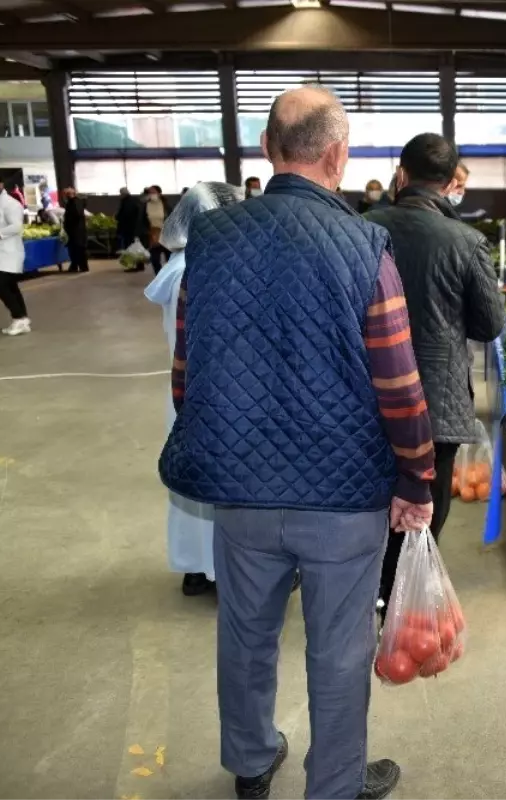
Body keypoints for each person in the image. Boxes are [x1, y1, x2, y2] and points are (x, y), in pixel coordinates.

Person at [159, 85, 431, 800]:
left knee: (245, 633)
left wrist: (221, 446)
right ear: (338, 156)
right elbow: (399, 382)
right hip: (344, 498)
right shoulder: (365, 243)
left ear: (268, 151)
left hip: (241, 493)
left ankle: (251, 762)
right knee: (338, 652)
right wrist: (417, 477)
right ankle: (334, 785)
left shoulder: (212, 241)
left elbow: (188, 373)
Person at [365, 133, 506, 614]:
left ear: (401, 174)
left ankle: (375, 592)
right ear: (450, 183)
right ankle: (405, 602)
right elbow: (490, 325)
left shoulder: (360, 229)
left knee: (373, 500)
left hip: (368, 396)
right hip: (436, 400)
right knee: (426, 505)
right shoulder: (466, 242)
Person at [145, 183, 244, 596]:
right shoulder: (203, 269)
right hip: (214, 395)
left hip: (186, 393)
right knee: (218, 489)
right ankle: (219, 571)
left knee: (192, 489)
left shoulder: (178, 266)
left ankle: (195, 568)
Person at [0, 172, 30, 335]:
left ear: (0, 184)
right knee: (10, 286)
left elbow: (16, 227)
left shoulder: (11, 204)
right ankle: (22, 319)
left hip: (9, 251)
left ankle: (18, 317)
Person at [141, 185, 172, 275]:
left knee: (170, 258)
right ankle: (159, 276)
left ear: (159, 193)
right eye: (150, 192)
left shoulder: (165, 204)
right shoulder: (145, 205)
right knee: (154, 259)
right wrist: (145, 232)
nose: (152, 194)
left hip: (166, 234)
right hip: (153, 234)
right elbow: (142, 220)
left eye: (154, 192)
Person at [61, 187, 89, 274]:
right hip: (78, 230)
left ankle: (79, 266)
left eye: (65, 195)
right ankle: (77, 266)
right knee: (77, 249)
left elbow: (76, 215)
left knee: (77, 249)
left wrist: (68, 223)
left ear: (69, 194)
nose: (64, 197)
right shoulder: (76, 202)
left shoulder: (73, 203)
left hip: (75, 231)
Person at [116, 187, 141, 255]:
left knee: (129, 244)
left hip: (128, 228)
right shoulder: (135, 200)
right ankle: (137, 262)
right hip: (134, 227)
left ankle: (132, 260)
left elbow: (126, 214)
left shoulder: (126, 201)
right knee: (134, 245)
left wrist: (117, 217)